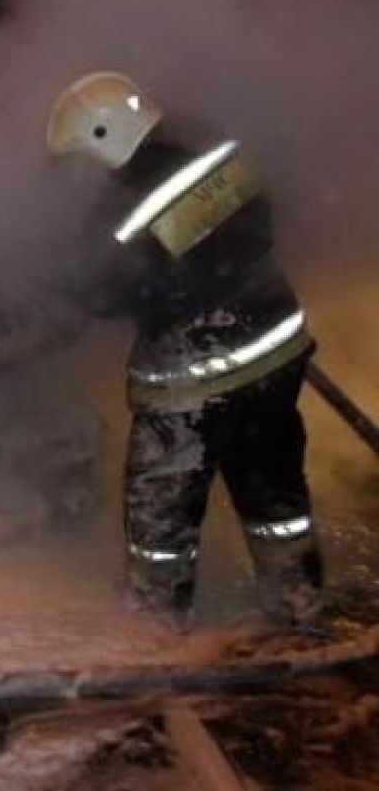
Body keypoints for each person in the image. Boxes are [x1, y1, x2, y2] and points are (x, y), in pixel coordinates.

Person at [45, 70, 323, 630]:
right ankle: (297, 605)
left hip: (194, 374)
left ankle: (154, 627)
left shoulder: (124, 202)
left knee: (161, 509)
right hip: (275, 348)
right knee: (273, 494)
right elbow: (251, 223)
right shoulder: (208, 144)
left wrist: (67, 286)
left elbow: (107, 290)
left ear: (103, 135)